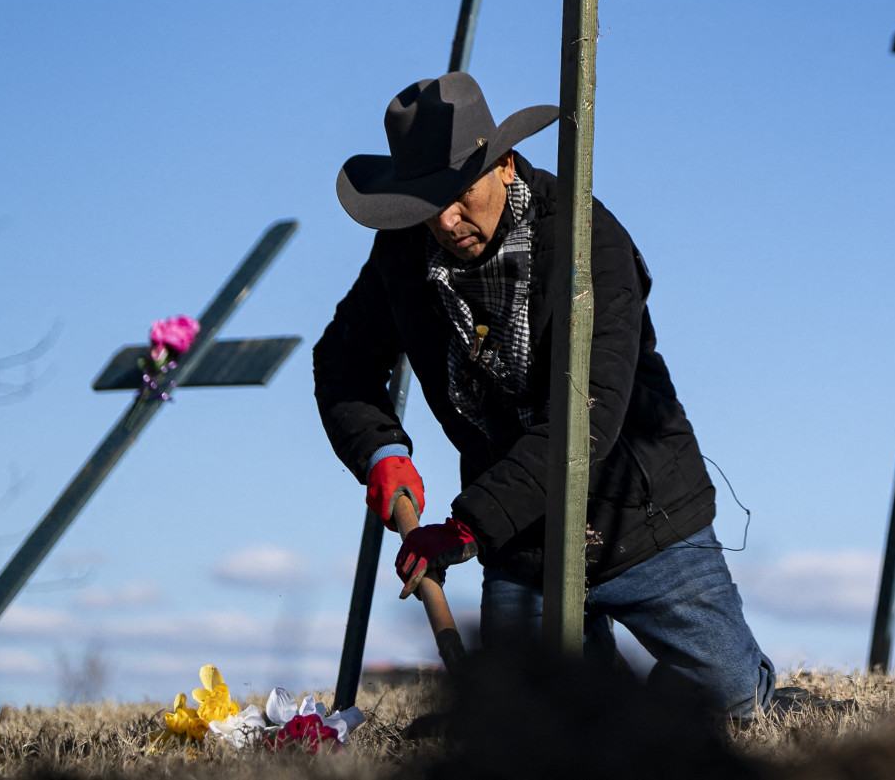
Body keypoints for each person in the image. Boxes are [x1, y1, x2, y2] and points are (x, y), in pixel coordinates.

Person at [314, 71, 778, 717]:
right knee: (536, 726)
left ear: (504, 164)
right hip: (524, 547)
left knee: (734, 706)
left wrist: (466, 526)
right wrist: (380, 449)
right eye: (426, 203)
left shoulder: (592, 243)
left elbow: (586, 419)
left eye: (458, 193)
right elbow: (341, 362)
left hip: (640, 516)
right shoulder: (403, 253)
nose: (445, 220)